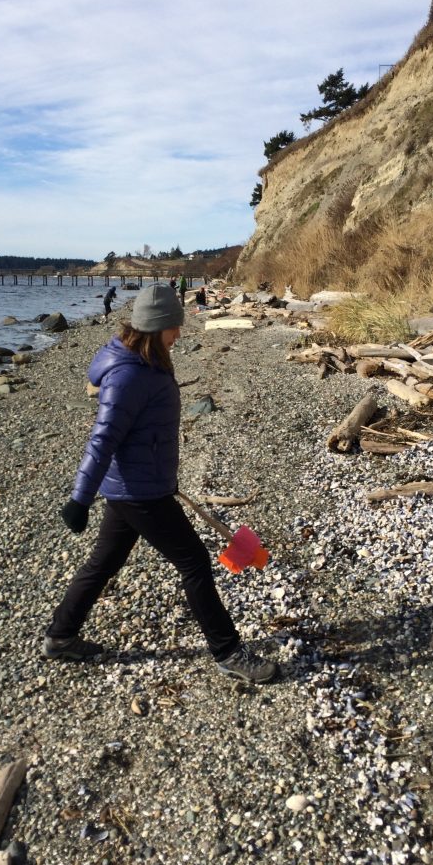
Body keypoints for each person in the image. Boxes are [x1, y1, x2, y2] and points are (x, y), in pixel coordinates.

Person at [42, 283, 277, 684]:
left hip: (139, 484)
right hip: (140, 491)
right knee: (195, 562)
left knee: (104, 563)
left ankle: (60, 636)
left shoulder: (146, 359)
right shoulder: (130, 375)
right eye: (173, 327)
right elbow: (103, 438)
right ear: (154, 327)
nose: (179, 334)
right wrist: (79, 499)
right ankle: (228, 652)